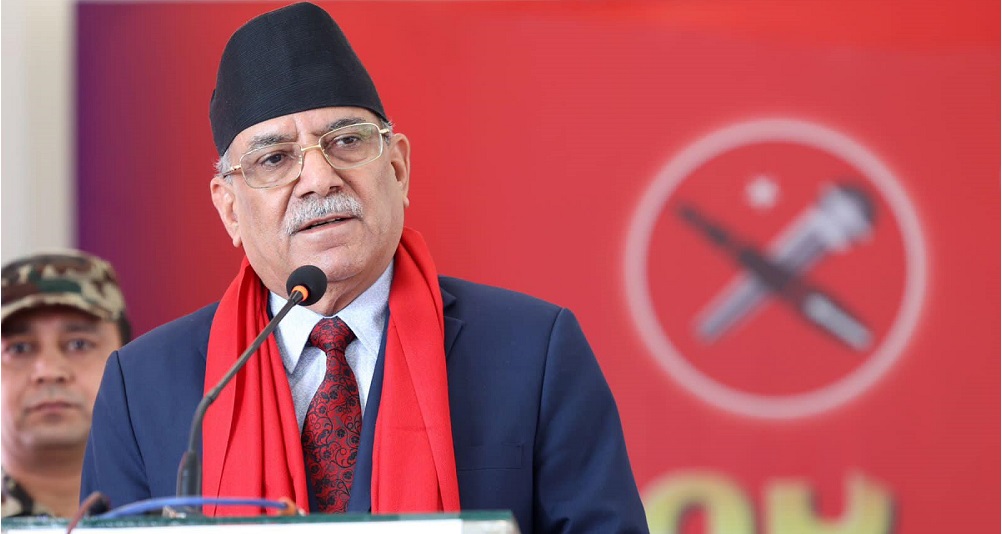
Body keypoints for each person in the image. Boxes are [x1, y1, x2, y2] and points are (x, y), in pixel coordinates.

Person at [81, 3, 649, 532]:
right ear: (230, 209)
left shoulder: (532, 351)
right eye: (274, 158)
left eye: (346, 141)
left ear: (398, 170)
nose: (318, 179)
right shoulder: (143, 386)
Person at [1, 251, 130, 518]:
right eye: (19, 348)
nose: (49, 371)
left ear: (128, 358)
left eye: (79, 344)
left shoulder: (186, 513)